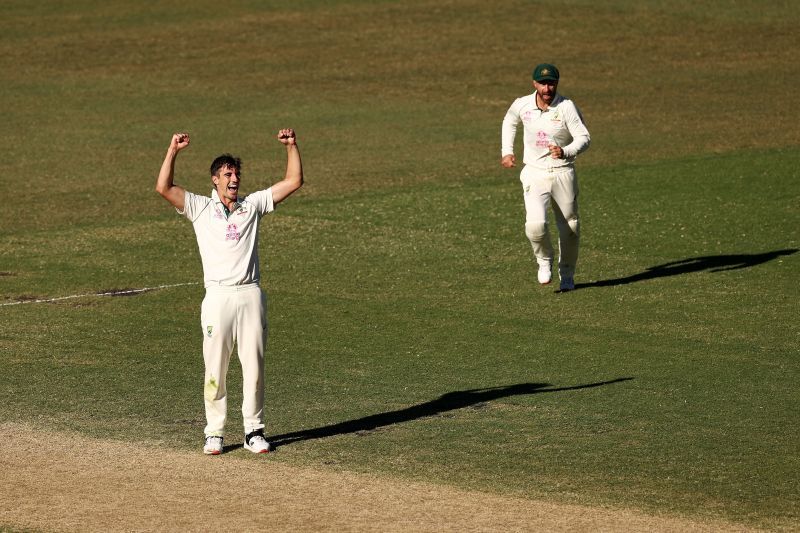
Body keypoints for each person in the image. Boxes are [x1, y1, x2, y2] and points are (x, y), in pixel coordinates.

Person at [155, 128, 303, 455]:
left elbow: (293, 181)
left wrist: (291, 146)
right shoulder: (199, 208)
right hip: (218, 297)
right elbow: (163, 187)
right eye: (227, 174)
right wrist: (172, 150)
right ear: (215, 180)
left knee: (254, 365)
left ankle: (254, 431)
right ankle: (215, 433)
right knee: (215, 368)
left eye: (236, 173)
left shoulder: (252, 206)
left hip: (250, 294)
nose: (234, 178)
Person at [501, 63, 590, 291]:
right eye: (543, 83)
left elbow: (584, 137)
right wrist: (507, 151)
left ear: (557, 83)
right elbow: (510, 120)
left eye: (551, 83)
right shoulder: (523, 104)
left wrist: (566, 151)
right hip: (534, 172)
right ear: (534, 83)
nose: (547, 88)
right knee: (535, 225)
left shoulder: (566, 107)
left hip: (562, 172)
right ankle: (543, 260)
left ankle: (567, 273)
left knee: (570, 227)